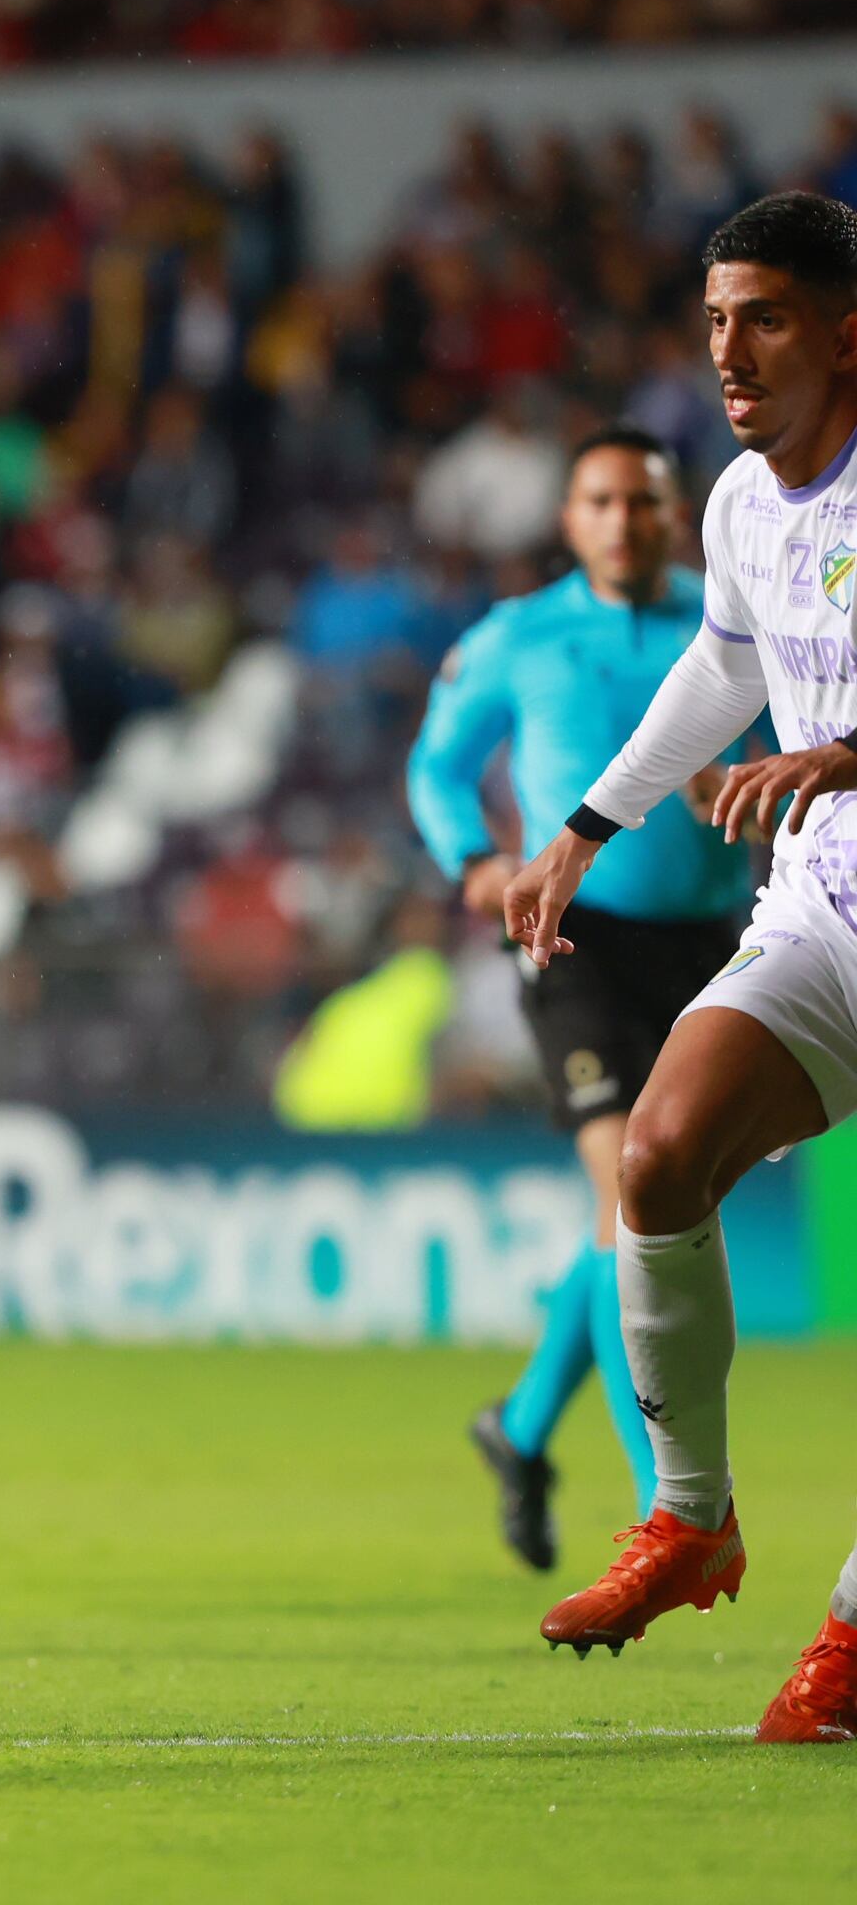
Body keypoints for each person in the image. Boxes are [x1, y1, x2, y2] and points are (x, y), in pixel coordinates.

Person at [503, 191, 857, 1742]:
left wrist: (844, 753)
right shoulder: (736, 504)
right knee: (655, 1157)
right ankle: (693, 1518)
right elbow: (724, 665)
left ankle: (852, 1640)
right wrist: (587, 825)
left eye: (763, 316)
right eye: (715, 319)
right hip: (829, 909)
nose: (729, 350)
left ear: (846, 333)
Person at [407, 428, 754, 1571]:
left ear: (676, 514)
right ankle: (669, 1505)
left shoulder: (732, 617)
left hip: (713, 943)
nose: (623, 522)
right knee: (626, 1191)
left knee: (650, 1211)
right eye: (601, 501)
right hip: (575, 937)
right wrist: (473, 860)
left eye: (643, 502)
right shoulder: (517, 634)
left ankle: (517, 1429)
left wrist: (749, 787)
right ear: (569, 519)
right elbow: (437, 765)